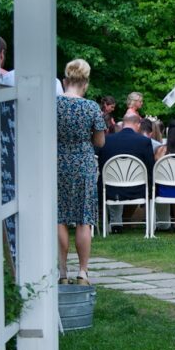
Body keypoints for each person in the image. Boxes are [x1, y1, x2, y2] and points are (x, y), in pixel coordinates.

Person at [56, 59, 106, 284]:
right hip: (83, 165)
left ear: (66, 80)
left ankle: (62, 272)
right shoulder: (92, 107)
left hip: (57, 164)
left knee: (60, 218)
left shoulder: (53, 104)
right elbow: (100, 141)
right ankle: (83, 272)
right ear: (85, 83)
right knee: (83, 219)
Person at [97, 113, 156, 233]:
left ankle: (116, 223)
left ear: (123, 124)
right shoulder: (144, 142)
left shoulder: (107, 140)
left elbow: (102, 164)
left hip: (110, 188)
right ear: (138, 125)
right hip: (138, 189)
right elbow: (151, 167)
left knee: (112, 180)